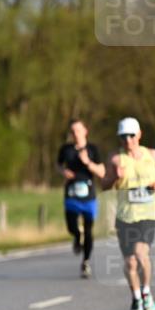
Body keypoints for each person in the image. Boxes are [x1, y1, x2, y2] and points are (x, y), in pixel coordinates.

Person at [102, 117, 155, 310]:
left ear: (139, 135)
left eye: (131, 135)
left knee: (140, 254)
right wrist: (113, 177)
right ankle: (136, 297)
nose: (127, 140)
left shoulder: (152, 155)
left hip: (148, 213)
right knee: (129, 262)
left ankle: (146, 291)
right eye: (123, 137)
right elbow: (104, 186)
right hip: (125, 216)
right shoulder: (115, 159)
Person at [57, 119, 103, 278]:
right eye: (72, 131)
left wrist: (88, 162)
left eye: (78, 130)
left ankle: (86, 261)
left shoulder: (92, 149)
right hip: (71, 192)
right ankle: (77, 236)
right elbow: (58, 165)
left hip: (88, 193)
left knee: (89, 229)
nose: (75, 134)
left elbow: (102, 171)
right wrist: (63, 172)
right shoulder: (66, 149)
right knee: (71, 226)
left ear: (85, 131)